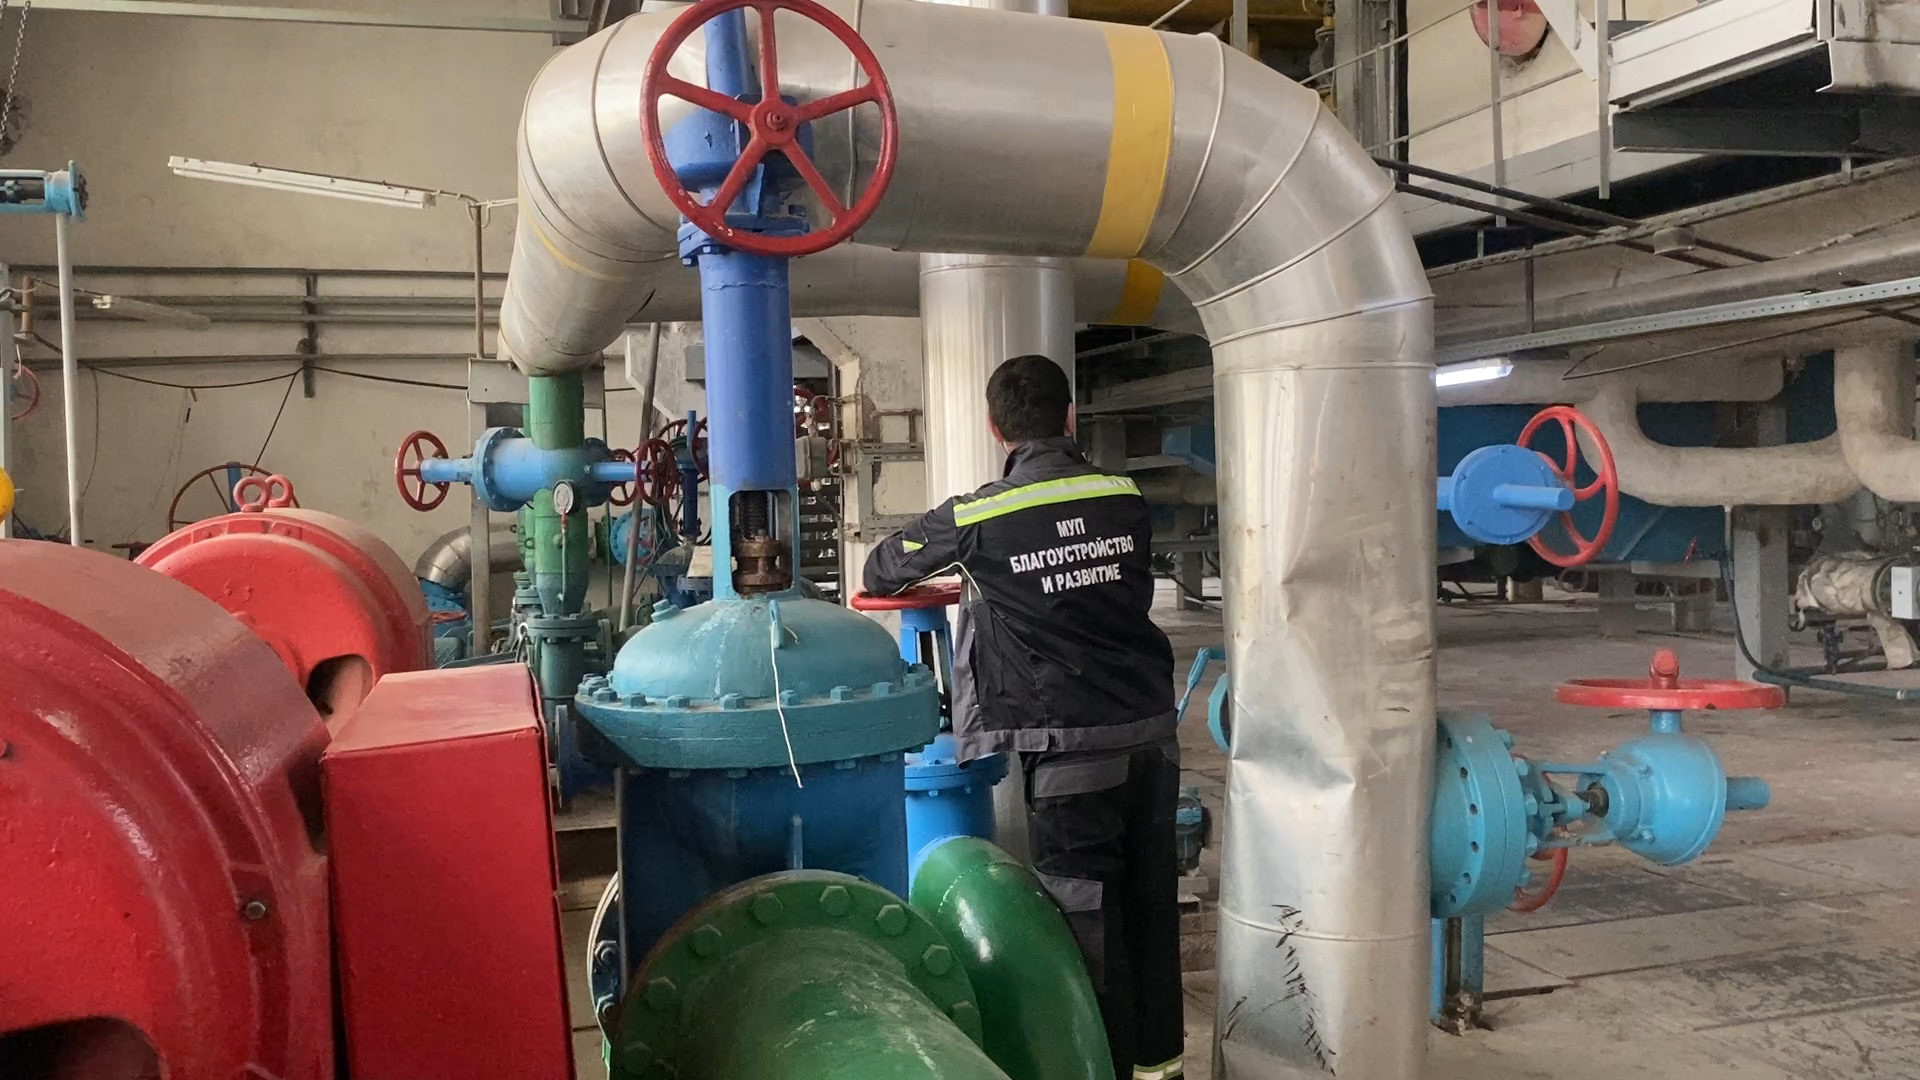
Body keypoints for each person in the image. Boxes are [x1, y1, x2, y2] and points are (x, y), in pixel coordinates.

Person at [864, 354, 1183, 1080]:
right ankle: (1163, 1068)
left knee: (1087, 937)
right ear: (1070, 416)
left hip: (1071, 754)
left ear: (994, 428)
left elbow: (882, 566)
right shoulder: (1124, 495)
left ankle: (1103, 1068)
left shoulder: (980, 517)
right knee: (1150, 915)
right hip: (1151, 737)